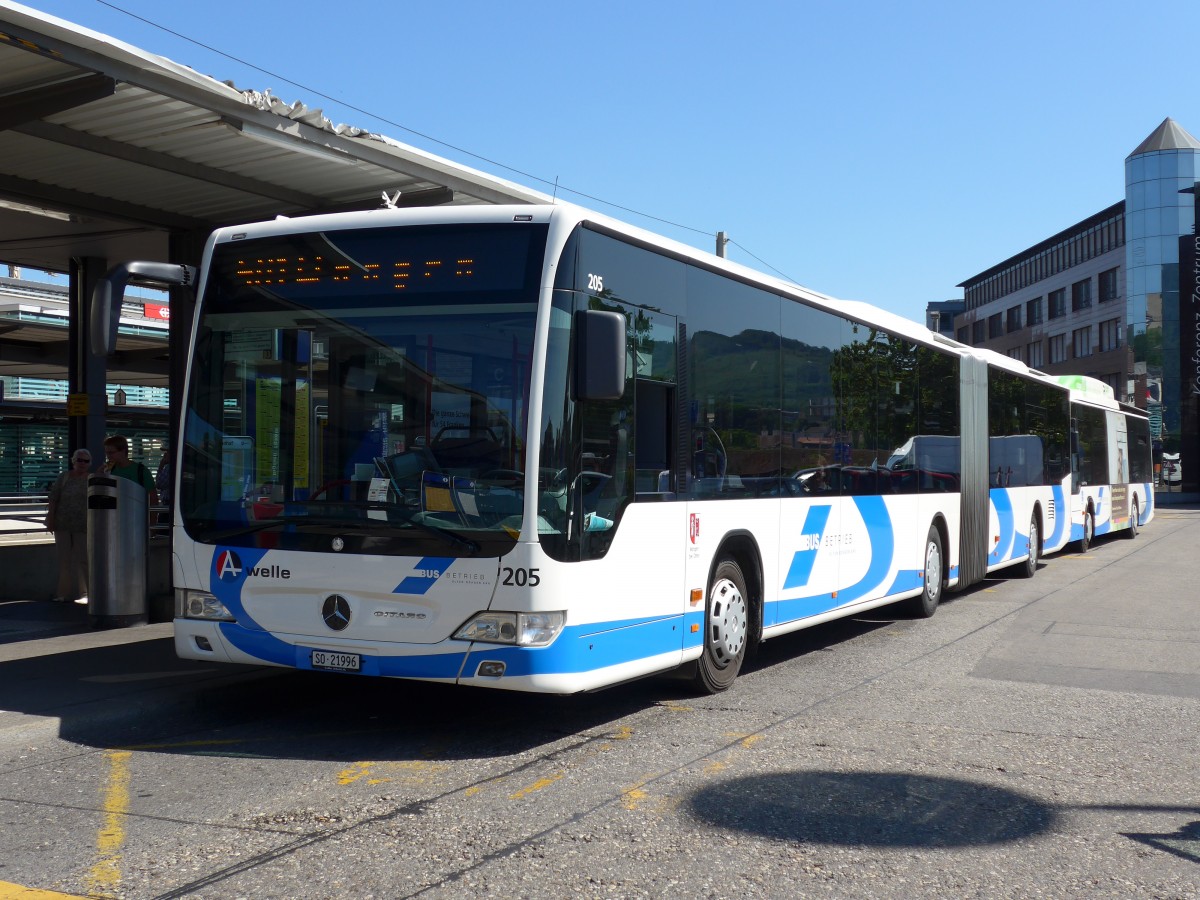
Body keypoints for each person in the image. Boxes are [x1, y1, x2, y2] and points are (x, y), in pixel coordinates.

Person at [45, 448, 93, 603]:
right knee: (64, 560)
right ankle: (62, 594)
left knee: (83, 559)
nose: (82, 464)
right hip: (62, 523)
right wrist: (50, 519)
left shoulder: (91, 479)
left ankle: (86, 593)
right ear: (73, 461)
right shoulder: (64, 477)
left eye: (86, 461)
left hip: (83, 524)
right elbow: (53, 498)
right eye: (79, 460)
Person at [101, 435, 159, 510]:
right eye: (107, 453)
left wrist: (152, 520)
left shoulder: (141, 471)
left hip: (136, 514)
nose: (108, 456)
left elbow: (153, 499)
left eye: (112, 453)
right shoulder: (107, 470)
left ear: (123, 451)